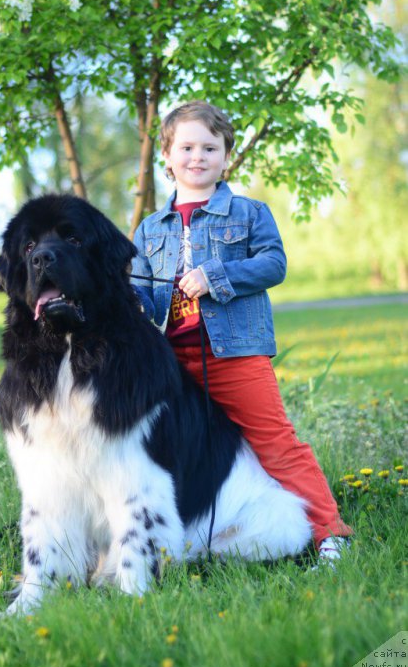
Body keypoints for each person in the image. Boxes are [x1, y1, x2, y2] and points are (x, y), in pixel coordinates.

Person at [131, 100, 352, 566]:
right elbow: (147, 298)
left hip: (236, 356)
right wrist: (130, 301)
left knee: (275, 443)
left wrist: (216, 275)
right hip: (173, 362)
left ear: (226, 156)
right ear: (167, 158)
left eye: (210, 148)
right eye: (186, 147)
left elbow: (274, 264)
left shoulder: (249, 213)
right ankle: (178, 538)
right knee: (175, 447)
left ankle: (329, 532)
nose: (198, 157)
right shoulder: (150, 228)